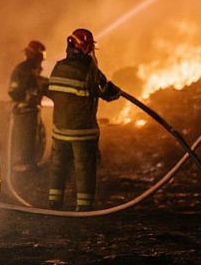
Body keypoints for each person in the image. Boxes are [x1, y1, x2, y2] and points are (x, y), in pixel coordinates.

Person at [45, 28, 120, 211]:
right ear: (86, 47)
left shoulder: (58, 67)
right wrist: (113, 91)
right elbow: (104, 92)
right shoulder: (89, 70)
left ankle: (54, 203)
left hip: (60, 129)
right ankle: (84, 207)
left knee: (58, 167)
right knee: (84, 168)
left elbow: (52, 92)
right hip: (83, 132)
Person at [7, 40, 48, 171]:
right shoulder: (25, 69)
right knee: (27, 137)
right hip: (25, 110)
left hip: (30, 108)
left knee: (36, 136)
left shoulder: (29, 69)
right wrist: (27, 98)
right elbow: (14, 91)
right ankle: (25, 165)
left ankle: (30, 162)